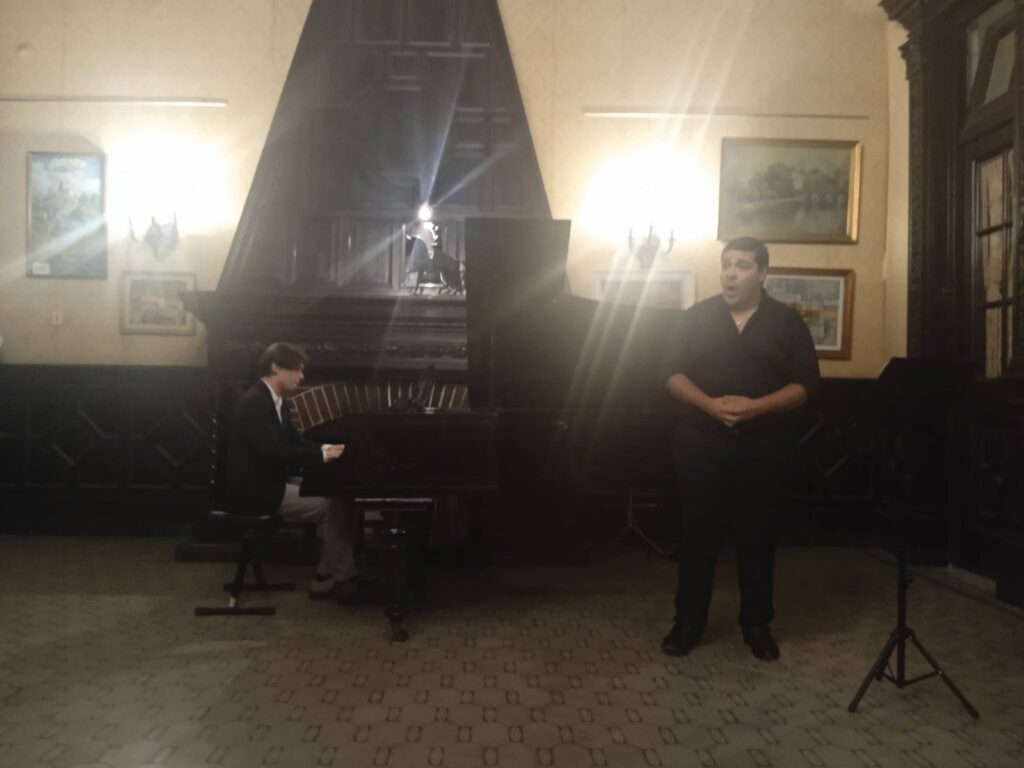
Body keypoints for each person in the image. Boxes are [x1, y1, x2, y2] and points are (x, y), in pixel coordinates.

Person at [659, 237, 820, 661]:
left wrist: (755, 407)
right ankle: (687, 623)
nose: (731, 273)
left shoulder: (787, 323)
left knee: (758, 535)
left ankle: (756, 624)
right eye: (726, 264)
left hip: (764, 444)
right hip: (699, 440)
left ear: (763, 273)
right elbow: (671, 373)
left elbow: (806, 385)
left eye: (743, 265)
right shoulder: (695, 317)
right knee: (697, 533)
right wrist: (710, 405)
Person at [225, 342, 363, 603]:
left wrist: (325, 448)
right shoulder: (255, 402)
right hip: (255, 491)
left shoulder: (277, 401)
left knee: (338, 497)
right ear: (275, 367)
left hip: (270, 481)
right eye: (296, 370)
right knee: (332, 508)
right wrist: (322, 456)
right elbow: (274, 452)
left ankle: (326, 576)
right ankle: (341, 579)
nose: (301, 377)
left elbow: (295, 443)